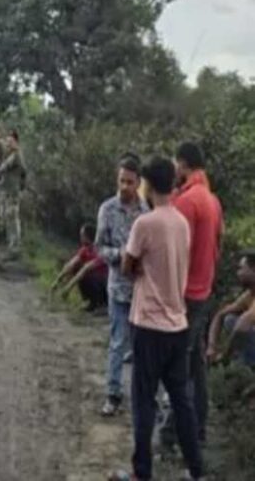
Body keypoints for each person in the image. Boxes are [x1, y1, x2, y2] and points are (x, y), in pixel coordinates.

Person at [116, 155, 204, 481]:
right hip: (177, 323)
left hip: (148, 325)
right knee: (181, 401)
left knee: (143, 401)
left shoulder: (145, 223)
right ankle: (197, 470)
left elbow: (127, 265)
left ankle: (142, 473)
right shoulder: (181, 222)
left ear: (146, 185)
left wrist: (140, 268)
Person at [157, 141, 224, 446]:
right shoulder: (212, 200)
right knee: (194, 365)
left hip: (183, 295)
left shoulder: (187, 202)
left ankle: (171, 436)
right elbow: (218, 248)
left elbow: (174, 253)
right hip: (203, 293)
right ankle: (198, 430)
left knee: (177, 368)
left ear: (182, 165)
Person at [97, 153, 147, 417]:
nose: (124, 186)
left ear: (138, 182)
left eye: (129, 182)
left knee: (140, 347)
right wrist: (121, 255)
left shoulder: (146, 212)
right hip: (118, 287)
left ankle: (140, 396)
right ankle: (113, 393)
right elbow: (99, 247)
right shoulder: (107, 209)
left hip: (141, 289)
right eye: (121, 181)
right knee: (117, 342)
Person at [207, 250, 255, 369]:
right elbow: (220, 315)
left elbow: (242, 325)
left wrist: (225, 356)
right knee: (230, 319)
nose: (238, 273)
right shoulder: (250, 294)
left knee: (238, 324)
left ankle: (248, 368)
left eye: (241, 268)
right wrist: (211, 347)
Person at [49, 222, 108, 311]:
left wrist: (68, 288)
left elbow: (85, 269)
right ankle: (91, 302)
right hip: (95, 283)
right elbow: (70, 264)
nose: (80, 237)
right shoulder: (85, 250)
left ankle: (100, 304)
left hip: (104, 286)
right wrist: (57, 281)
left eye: (82, 235)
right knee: (75, 267)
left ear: (87, 237)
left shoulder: (100, 251)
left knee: (84, 273)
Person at [0, 130, 26, 251]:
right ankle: (11, 243)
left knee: (13, 216)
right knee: (8, 216)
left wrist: (21, 186)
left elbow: (4, 168)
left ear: (15, 141)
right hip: (8, 189)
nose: (8, 143)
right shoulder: (10, 154)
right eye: (7, 141)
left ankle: (16, 244)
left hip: (13, 190)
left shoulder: (16, 155)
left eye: (10, 141)